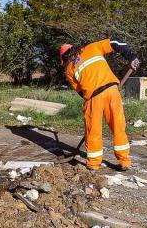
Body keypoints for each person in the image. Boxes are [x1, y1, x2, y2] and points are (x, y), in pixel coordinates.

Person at [60, 38, 140, 171]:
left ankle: (93, 163)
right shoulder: (92, 47)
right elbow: (115, 42)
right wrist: (131, 56)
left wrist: (90, 101)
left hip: (93, 97)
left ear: (64, 58)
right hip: (112, 91)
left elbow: (80, 91)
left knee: (93, 131)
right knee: (118, 127)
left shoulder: (69, 69)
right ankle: (124, 161)